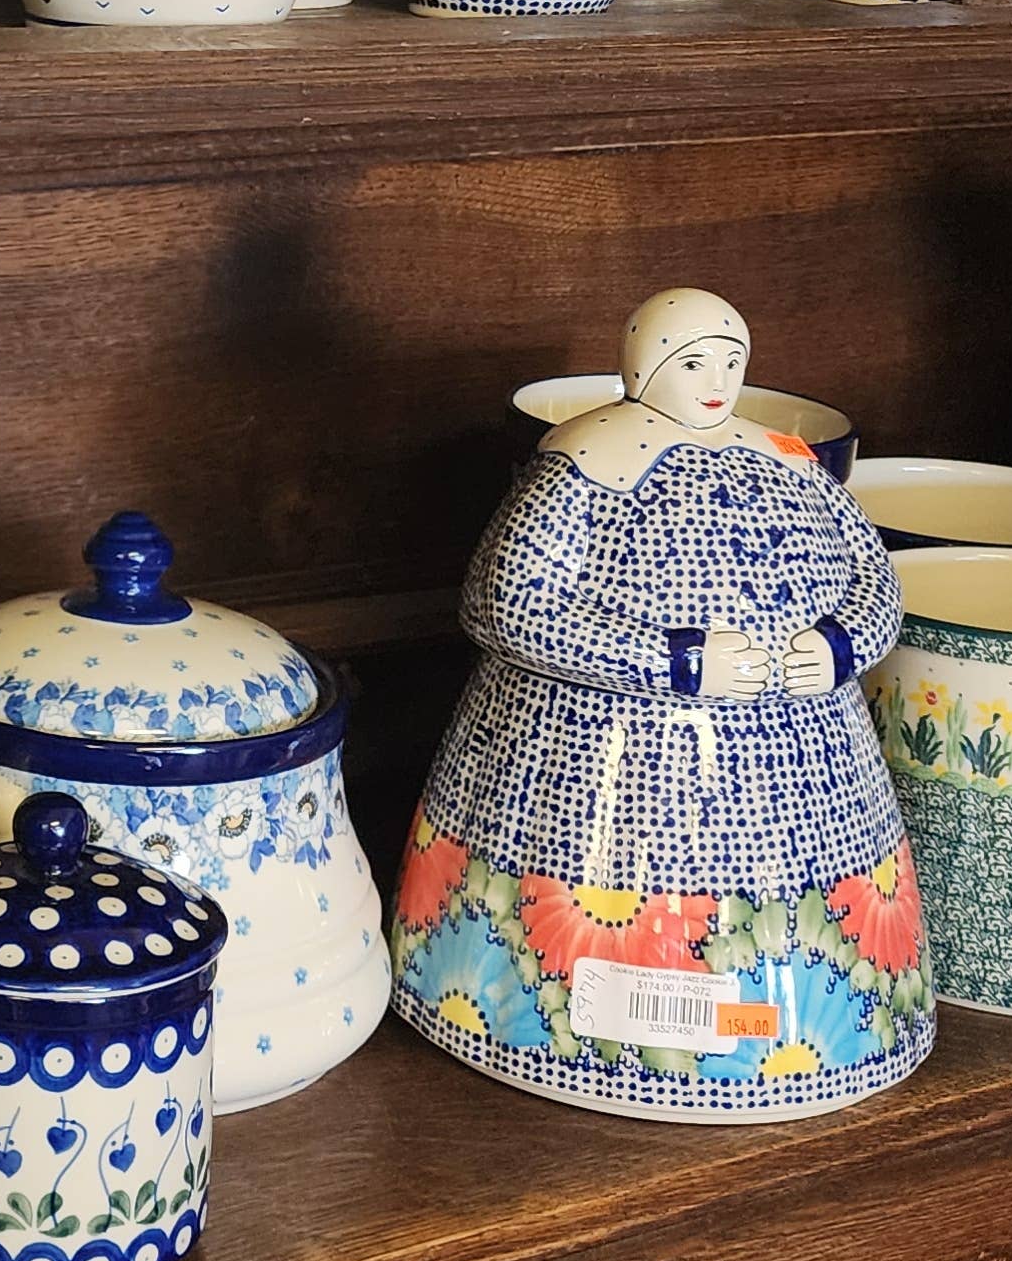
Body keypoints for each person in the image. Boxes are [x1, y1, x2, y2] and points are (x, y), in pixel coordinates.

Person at [393, 288, 932, 1119]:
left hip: (802, 770)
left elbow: (875, 582)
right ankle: (558, 1029)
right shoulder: (584, 464)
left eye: (731, 362)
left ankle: (796, 1036)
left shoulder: (791, 461)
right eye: (693, 362)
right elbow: (505, 605)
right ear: (641, 368)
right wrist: (675, 662)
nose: (717, 382)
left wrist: (838, 646)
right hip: (595, 772)